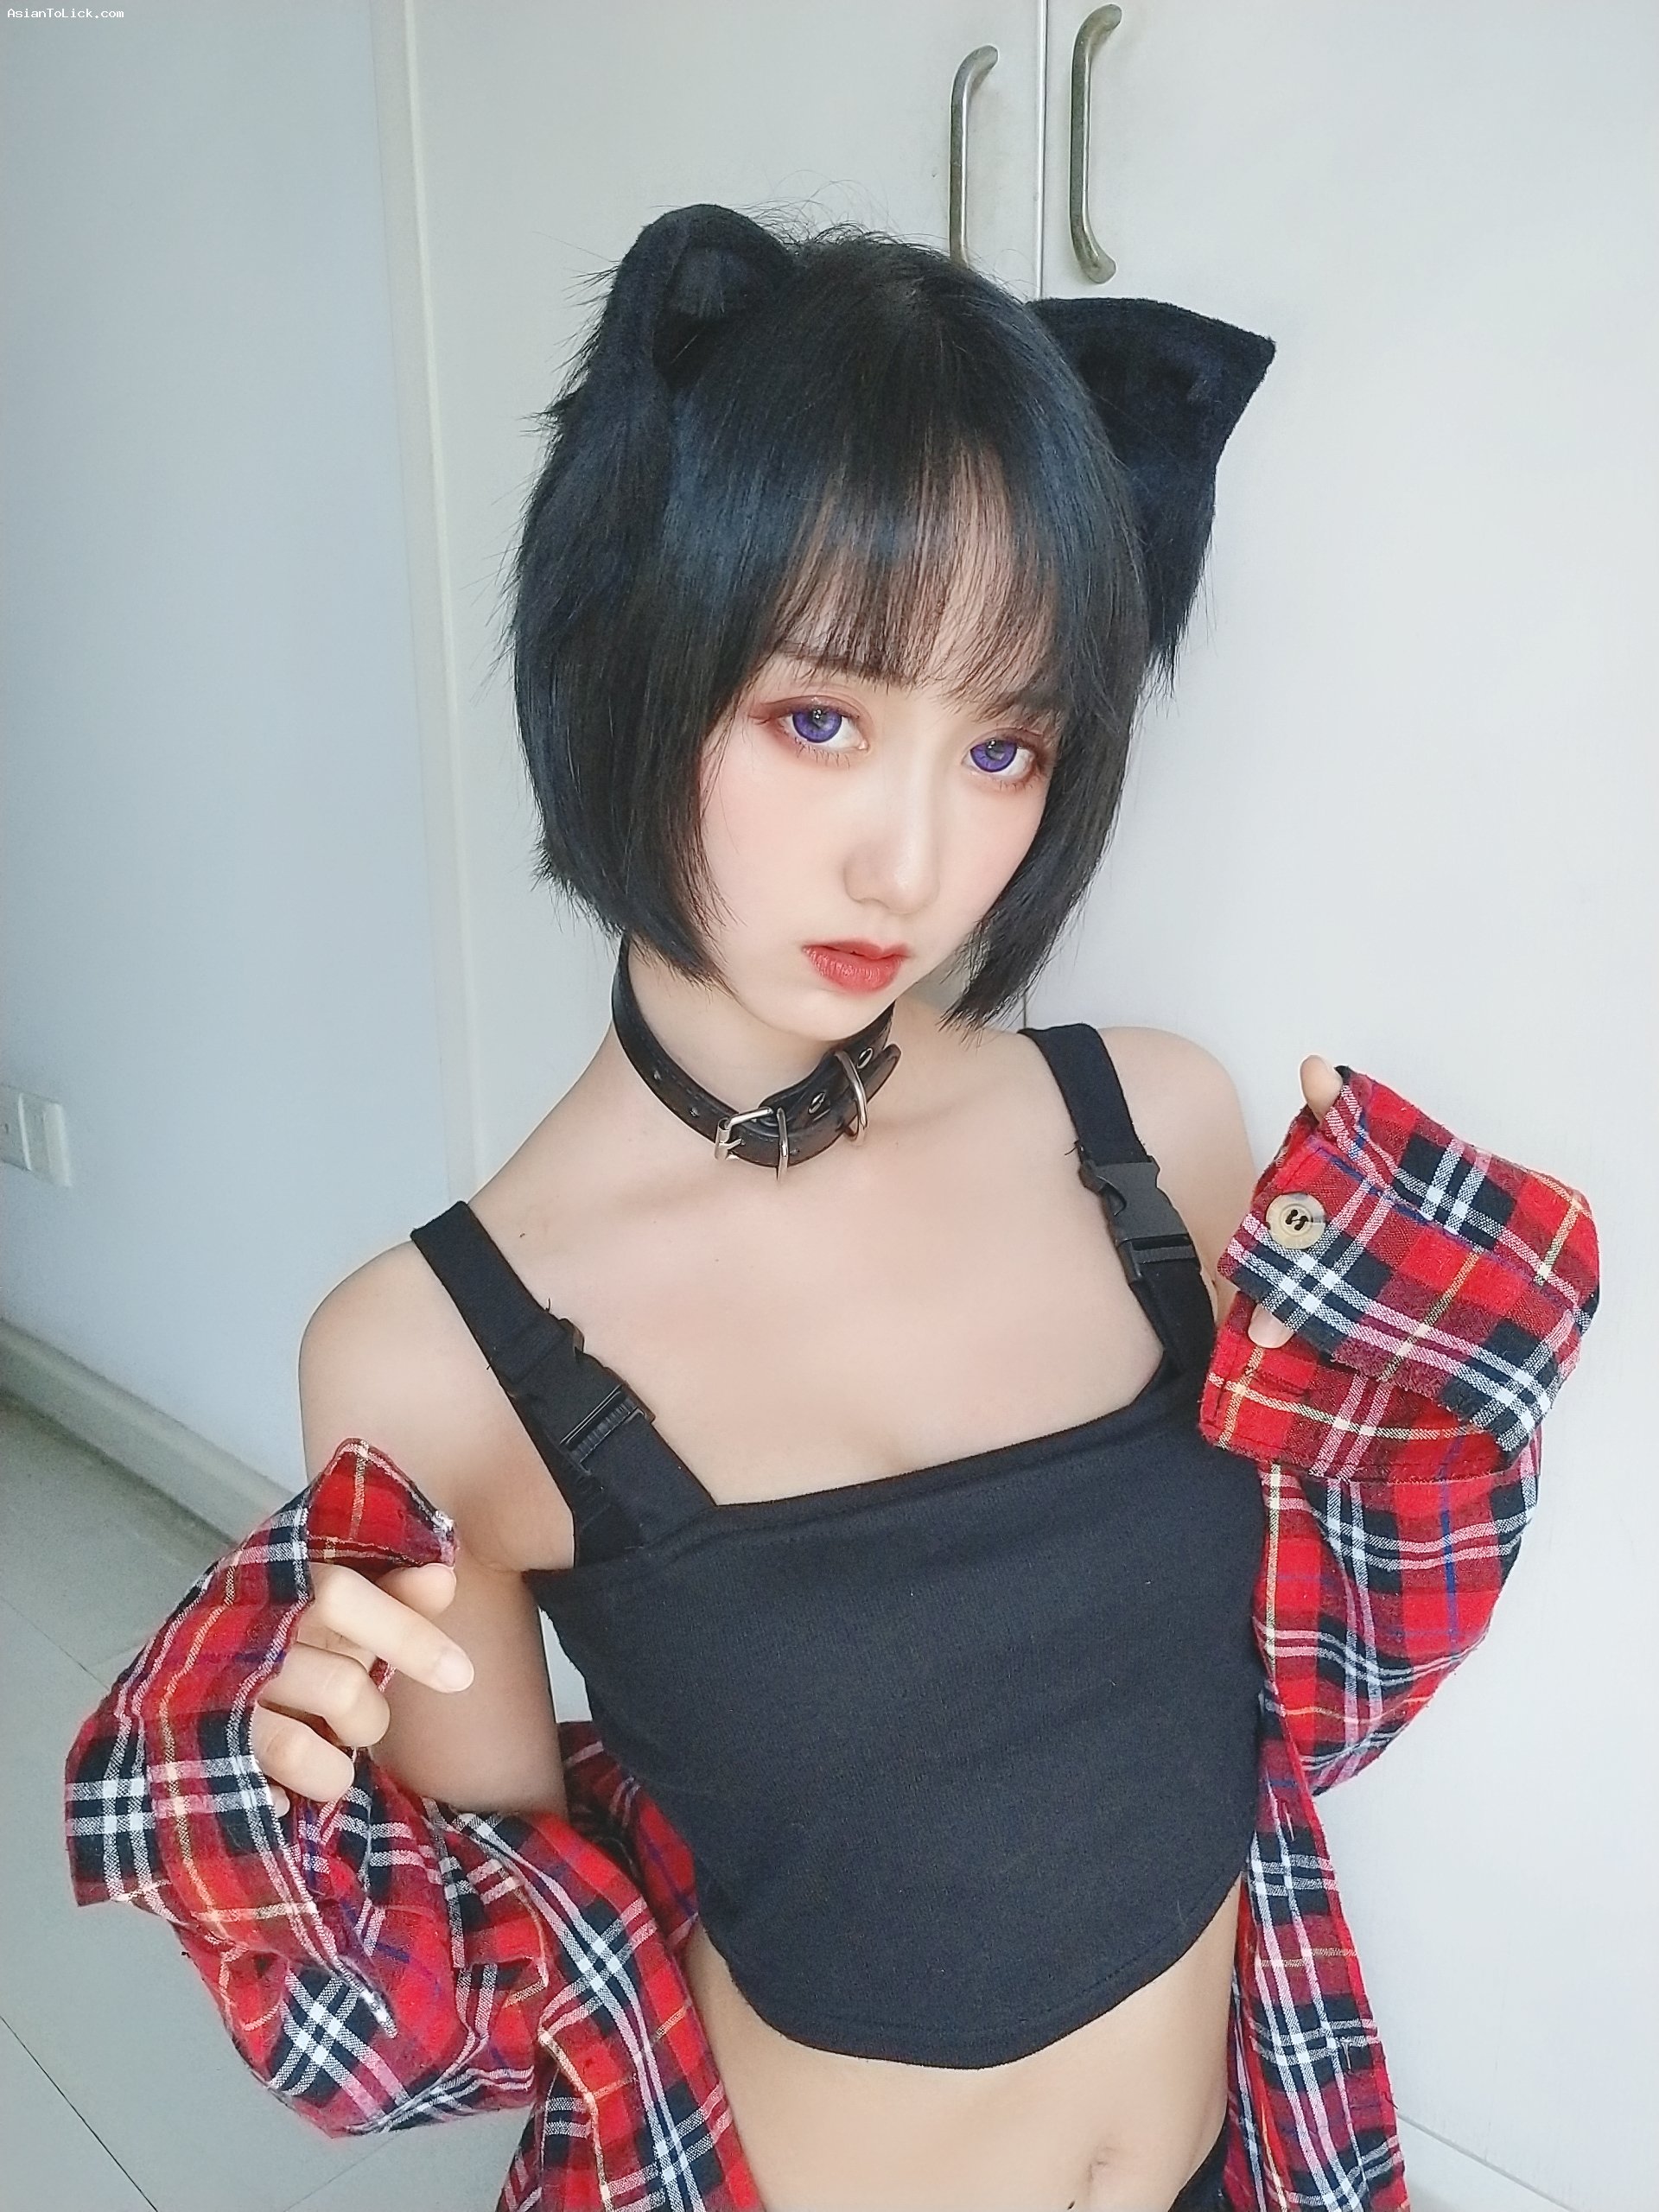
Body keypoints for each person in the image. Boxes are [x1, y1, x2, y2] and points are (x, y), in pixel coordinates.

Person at [64, 206, 1600, 2212]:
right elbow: (530, 1992)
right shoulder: (432, 1353)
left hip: (1258, 2150)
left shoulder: (1160, 1129)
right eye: (819, 718)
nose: (913, 859)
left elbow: (1266, 1699)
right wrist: (287, 1800)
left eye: (1004, 744)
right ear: (636, 658)